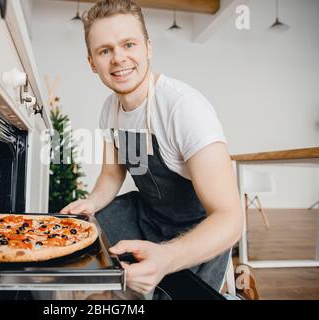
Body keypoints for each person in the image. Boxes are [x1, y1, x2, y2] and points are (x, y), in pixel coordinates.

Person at [60, 0, 243, 295]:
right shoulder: (111, 109)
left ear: (148, 48)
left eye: (128, 44)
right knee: (84, 244)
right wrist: (91, 203)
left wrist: (167, 257)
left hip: (195, 229)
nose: (118, 58)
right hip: (148, 217)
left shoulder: (183, 108)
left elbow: (230, 219)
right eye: (105, 50)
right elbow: (111, 174)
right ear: (92, 63)